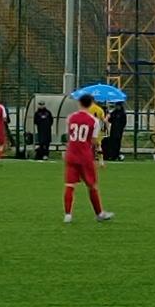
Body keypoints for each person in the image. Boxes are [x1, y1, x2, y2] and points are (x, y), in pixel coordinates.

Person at [62, 94, 114, 224]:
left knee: (69, 185)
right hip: (85, 156)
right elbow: (94, 140)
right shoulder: (93, 121)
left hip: (71, 154)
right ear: (91, 104)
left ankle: (68, 215)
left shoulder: (70, 118)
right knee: (92, 186)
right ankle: (99, 214)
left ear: (79, 103)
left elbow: (70, 135)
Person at [87, 97, 107, 161]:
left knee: (88, 144)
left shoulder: (88, 109)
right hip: (97, 128)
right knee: (98, 145)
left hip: (89, 128)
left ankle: (88, 158)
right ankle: (101, 160)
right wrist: (108, 116)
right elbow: (104, 120)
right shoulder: (100, 109)